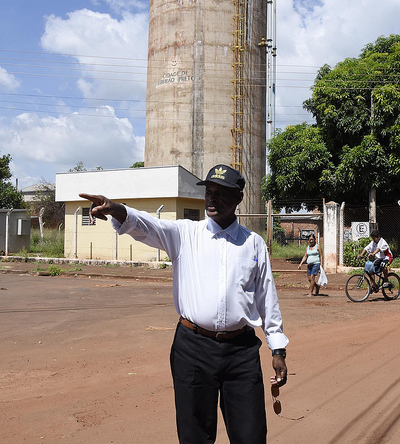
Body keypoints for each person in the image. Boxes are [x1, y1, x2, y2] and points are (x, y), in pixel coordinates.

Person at [79, 164, 288, 444]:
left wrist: (278, 348)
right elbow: (147, 225)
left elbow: (267, 298)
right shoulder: (185, 234)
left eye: (221, 193)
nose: (211, 198)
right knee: (194, 436)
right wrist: (117, 209)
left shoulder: (254, 244)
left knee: (250, 435)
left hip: (241, 352)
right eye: (209, 192)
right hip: (193, 349)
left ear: (238, 198)